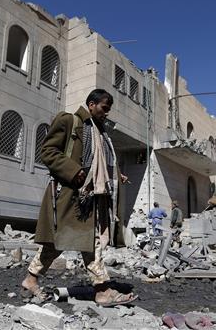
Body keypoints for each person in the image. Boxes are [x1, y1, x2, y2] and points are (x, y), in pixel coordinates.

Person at [21, 89, 137, 307]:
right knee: (69, 242)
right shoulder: (70, 121)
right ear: (91, 105)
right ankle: (102, 291)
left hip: (89, 197)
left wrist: (115, 175)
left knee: (80, 242)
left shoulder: (101, 133)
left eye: (108, 110)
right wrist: (73, 171)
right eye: (104, 108)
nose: (106, 113)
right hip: (70, 195)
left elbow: (98, 163)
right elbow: (47, 151)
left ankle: (31, 279)